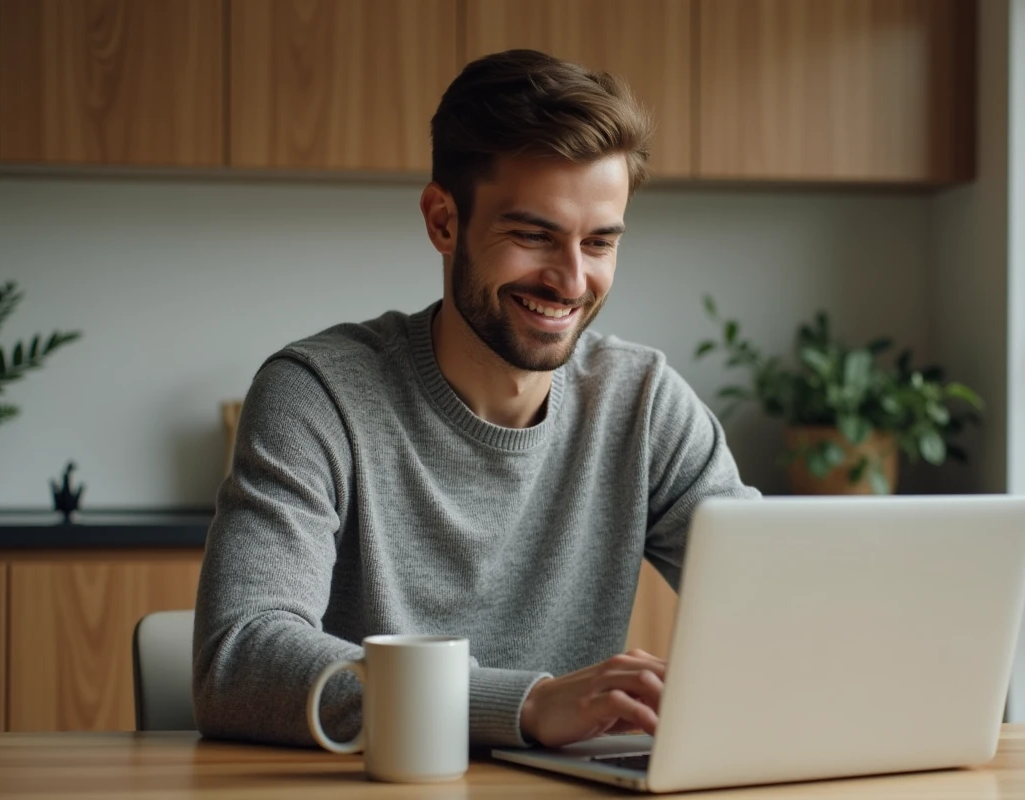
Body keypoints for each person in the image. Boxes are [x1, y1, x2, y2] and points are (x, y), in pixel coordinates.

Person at [193, 49, 759, 750]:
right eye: (533, 235)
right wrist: (524, 705)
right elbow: (240, 658)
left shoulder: (643, 404)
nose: (572, 281)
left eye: (600, 242)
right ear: (443, 221)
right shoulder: (318, 395)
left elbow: (779, 600)